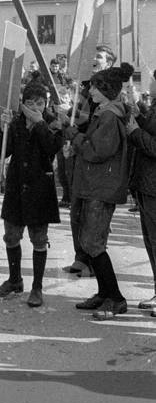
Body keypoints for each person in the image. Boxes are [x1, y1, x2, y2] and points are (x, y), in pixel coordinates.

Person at [61, 62, 133, 320]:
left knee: (93, 242)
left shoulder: (110, 116)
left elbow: (97, 151)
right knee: (89, 241)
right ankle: (104, 293)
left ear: (106, 90)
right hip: (95, 186)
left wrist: (75, 137)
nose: (90, 91)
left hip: (100, 188)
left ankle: (115, 297)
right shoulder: (104, 113)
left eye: (94, 87)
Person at [0, 83, 61, 308]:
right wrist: (3, 129)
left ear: (46, 104)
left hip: (40, 188)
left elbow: (51, 148)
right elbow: (3, 150)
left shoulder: (52, 122)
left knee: (39, 239)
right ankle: (14, 280)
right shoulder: (16, 121)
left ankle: (37, 287)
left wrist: (39, 123)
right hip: (16, 186)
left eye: (39, 103)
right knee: (11, 235)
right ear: (23, 103)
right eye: (30, 103)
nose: (34, 107)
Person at [62, 42, 118, 276]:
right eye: (94, 56)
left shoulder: (111, 91)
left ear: (110, 63)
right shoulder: (85, 88)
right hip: (80, 152)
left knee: (93, 217)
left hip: (94, 160)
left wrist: (72, 121)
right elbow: (79, 115)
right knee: (77, 209)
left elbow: (91, 121)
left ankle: (93, 261)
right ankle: (80, 257)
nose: (95, 60)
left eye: (100, 57)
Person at [126, 69, 156, 315]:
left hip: (154, 186)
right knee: (150, 242)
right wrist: (139, 111)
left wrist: (135, 131)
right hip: (147, 185)